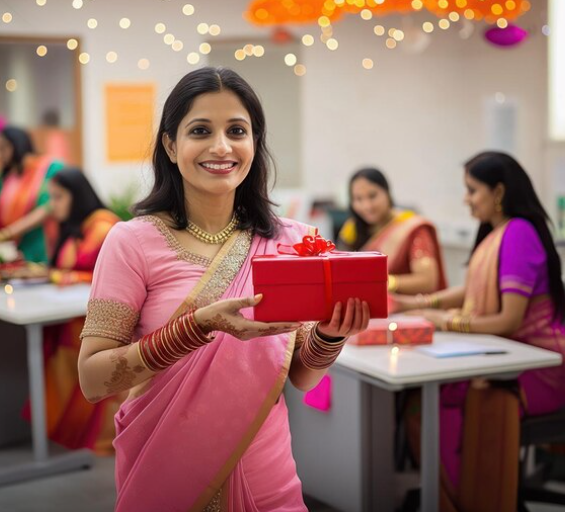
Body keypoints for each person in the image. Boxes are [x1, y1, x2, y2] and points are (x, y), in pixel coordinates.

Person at [78, 67, 370, 511]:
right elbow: (93, 380)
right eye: (200, 130)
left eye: (237, 130)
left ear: (255, 142)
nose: (221, 146)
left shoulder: (291, 241)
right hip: (166, 467)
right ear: (171, 145)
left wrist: (332, 333)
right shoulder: (132, 242)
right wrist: (195, 328)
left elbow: (302, 375)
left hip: (265, 471)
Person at [396, 151, 565, 511]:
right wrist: (420, 303)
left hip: (537, 367)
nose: (466, 199)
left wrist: (448, 321)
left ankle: (469, 500)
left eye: (472, 190)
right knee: (420, 400)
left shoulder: (519, 234)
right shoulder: (497, 234)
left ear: (498, 192)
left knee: (437, 400)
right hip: (502, 353)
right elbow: (472, 289)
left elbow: (509, 320)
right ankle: (454, 497)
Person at [38, 168, 120, 453]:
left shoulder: (102, 226)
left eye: (59, 197)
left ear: (78, 196)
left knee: (64, 348)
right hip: (73, 312)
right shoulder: (75, 226)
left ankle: (78, 431)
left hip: (99, 321)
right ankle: (65, 430)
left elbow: (95, 274)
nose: (53, 204)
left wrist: (64, 275)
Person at [0, 126, 64, 263]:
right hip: (7, 250)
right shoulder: (0, 180)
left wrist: (1, 235)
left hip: (38, 247)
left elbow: (46, 209)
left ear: (17, 145)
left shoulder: (49, 169)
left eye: (3, 148)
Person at [338, 168, 446, 294]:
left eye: (372, 196)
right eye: (358, 199)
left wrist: (386, 282)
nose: (367, 206)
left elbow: (427, 281)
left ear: (387, 193)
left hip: (405, 310)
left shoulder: (412, 227)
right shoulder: (352, 229)